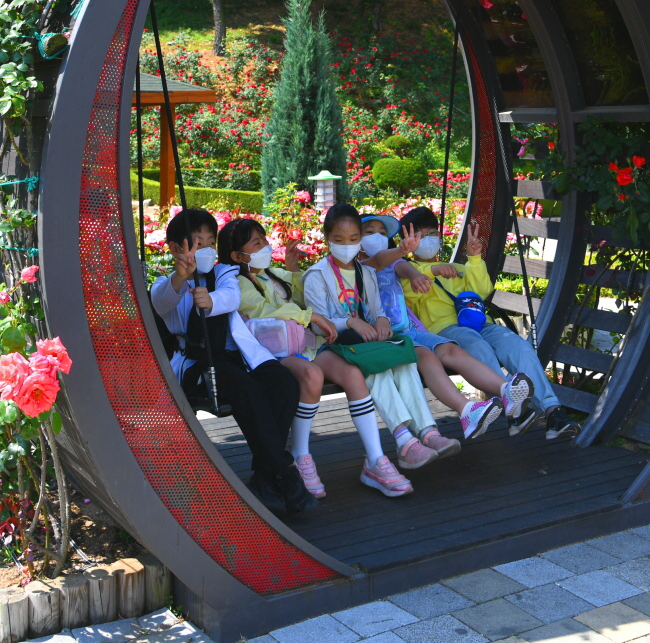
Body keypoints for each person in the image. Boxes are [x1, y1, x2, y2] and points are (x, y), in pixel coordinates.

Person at [149, 208, 317, 517]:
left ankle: (264, 478)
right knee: (245, 389)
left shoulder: (223, 273)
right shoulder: (166, 283)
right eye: (197, 243)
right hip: (198, 364)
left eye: (210, 242)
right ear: (174, 248)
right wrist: (181, 277)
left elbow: (232, 296)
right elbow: (161, 301)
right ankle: (284, 474)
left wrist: (211, 300)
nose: (206, 249)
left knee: (283, 384)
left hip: (238, 356)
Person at [220, 216, 383, 500]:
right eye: (257, 244)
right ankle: (301, 455)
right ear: (237, 256)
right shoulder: (238, 283)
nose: (265, 247)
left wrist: (293, 270)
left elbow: (297, 295)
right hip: (270, 353)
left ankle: (375, 458)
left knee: (348, 372)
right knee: (311, 374)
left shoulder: (270, 274)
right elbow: (263, 311)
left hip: (302, 346)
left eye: (264, 240)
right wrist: (310, 317)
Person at [396, 206, 582, 441]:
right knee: (477, 345)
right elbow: (408, 288)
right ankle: (515, 409)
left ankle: (552, 410)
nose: (428, 239)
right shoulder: (405, 273)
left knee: (518, 346)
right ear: (408, 242)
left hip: (479, 324)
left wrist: (474, 258)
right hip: (444, 330)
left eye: (432, 233)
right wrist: (433, 270)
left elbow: (482, 290)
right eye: (420, 236)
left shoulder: (456, 269)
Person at [300, 204, 446, 496]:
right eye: (339, 240)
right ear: (327, 238)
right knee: (375, 366)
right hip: (333, 347)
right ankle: (404, 440)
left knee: (402, 359)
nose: (347, 245)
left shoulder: (364, 272)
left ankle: (427, 431)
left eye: (353, 239)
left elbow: (377, 310)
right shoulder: (316, 275)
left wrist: (381, 321)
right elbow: (318, 325)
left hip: (364, 344)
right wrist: (350, 321)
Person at [360, 213, 530, 440]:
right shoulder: (356, 269)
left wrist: (416, 275)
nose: (377, 237)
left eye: (382, 233)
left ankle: (503, 392)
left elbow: (404, 268)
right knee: (425, 358)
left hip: (410, 330)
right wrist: (407, 255)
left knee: (449, 349)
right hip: (380, 336)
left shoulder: (396, 264)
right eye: (369, 233)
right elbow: (378, 263)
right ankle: (427, 433)